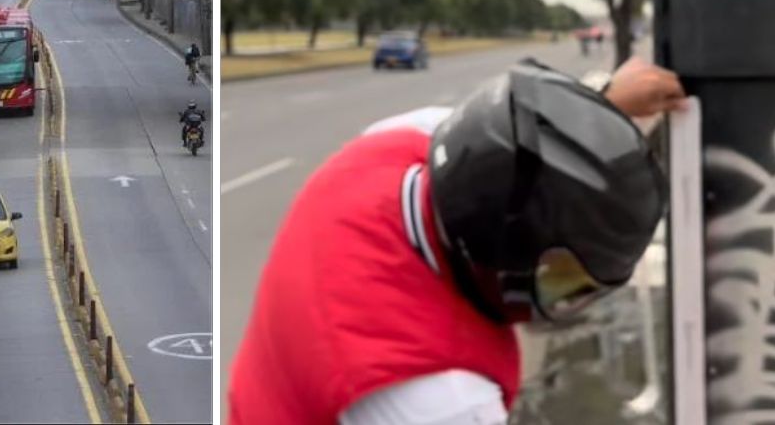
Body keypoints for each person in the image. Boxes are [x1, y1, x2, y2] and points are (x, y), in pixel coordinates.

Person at [228, 57, 687, 424]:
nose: (572, 300)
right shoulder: (439, 398)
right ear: (505, 261)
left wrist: (601, 107)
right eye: (565, 282)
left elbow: (517, 142)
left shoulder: (393, 145)